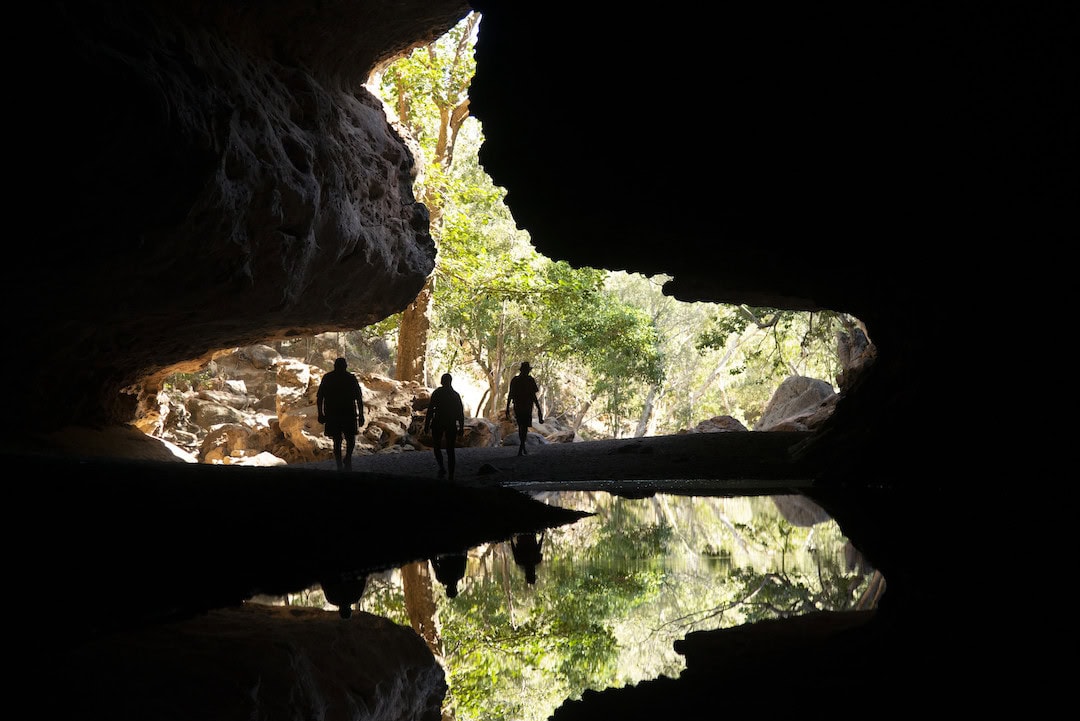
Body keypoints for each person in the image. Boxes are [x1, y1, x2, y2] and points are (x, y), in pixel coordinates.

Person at [316, 357, 365, 471]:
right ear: (346, 366)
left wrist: (320, 413)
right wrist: (361, 415)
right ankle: (347, 459)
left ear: (334, 366)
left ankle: (340, 463)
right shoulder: (350, 378)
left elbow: (320, 398)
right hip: (348, 412)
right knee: (349, 439)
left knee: (337, 440)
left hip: (333, 413)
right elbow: (359, 398)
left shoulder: (328, 378)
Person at [423, 372, 465, 481]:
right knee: (450, 450)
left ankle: (442, 467)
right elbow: (460, 412)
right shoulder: (455, 395)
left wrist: (427, 425)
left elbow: (431, 410)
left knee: (437, 447)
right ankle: (451, 474)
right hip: (451, 423)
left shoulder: (437, 393)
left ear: (442, 381)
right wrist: (461, 427)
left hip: (438, 422)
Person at [505, 361, 543, 456]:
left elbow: (510, 395)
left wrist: (507, 407)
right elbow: (533, 396)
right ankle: (522, 447)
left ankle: (522, 448)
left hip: (518, 406)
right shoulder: (530, 380)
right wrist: (539, 409)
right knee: (524, 427)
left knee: (521, 426)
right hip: (527, 406)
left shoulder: (515, 380)